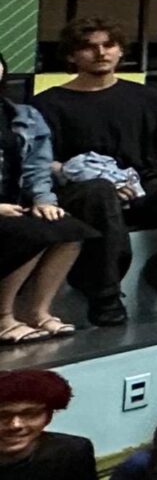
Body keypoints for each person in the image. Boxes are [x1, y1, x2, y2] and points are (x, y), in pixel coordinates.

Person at [36, 18, 157, 328]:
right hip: (83, 190)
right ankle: (105, 298)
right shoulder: (48, 103)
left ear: (120, 51)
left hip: (142, 185)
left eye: (108, 45)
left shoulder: (144, 96)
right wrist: (95, 177)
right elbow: (43, 161)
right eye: (89, 47)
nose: (101, 53)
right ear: (71, 55)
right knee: (100, 191)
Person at [0, 67, 98, 344]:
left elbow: (38, 165)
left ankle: (36, 311)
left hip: (14, 203)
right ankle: (3, 316)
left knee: (69, 230)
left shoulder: (23, 115)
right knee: (30, 234)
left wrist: (43, 200)